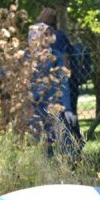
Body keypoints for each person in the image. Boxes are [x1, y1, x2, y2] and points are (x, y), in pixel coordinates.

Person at [37, 7, 91, 143]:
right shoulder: (43, 38)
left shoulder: (57, 37)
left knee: (67, 117)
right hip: (56, 86)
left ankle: (73, 149)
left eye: (41, 17)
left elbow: (65, 61)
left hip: (64, 85)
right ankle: (71, 147)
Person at [27, 22, 79, 155]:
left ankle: (69, 169)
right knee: (41, 147)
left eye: (49, 35)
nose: (47, 39)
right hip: (34, 109)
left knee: (66, 144)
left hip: (56, 107)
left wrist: (67, 108)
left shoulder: (56, 56)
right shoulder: (27, 58)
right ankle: (45, 172)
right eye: (43, 35)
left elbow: (63, 82)